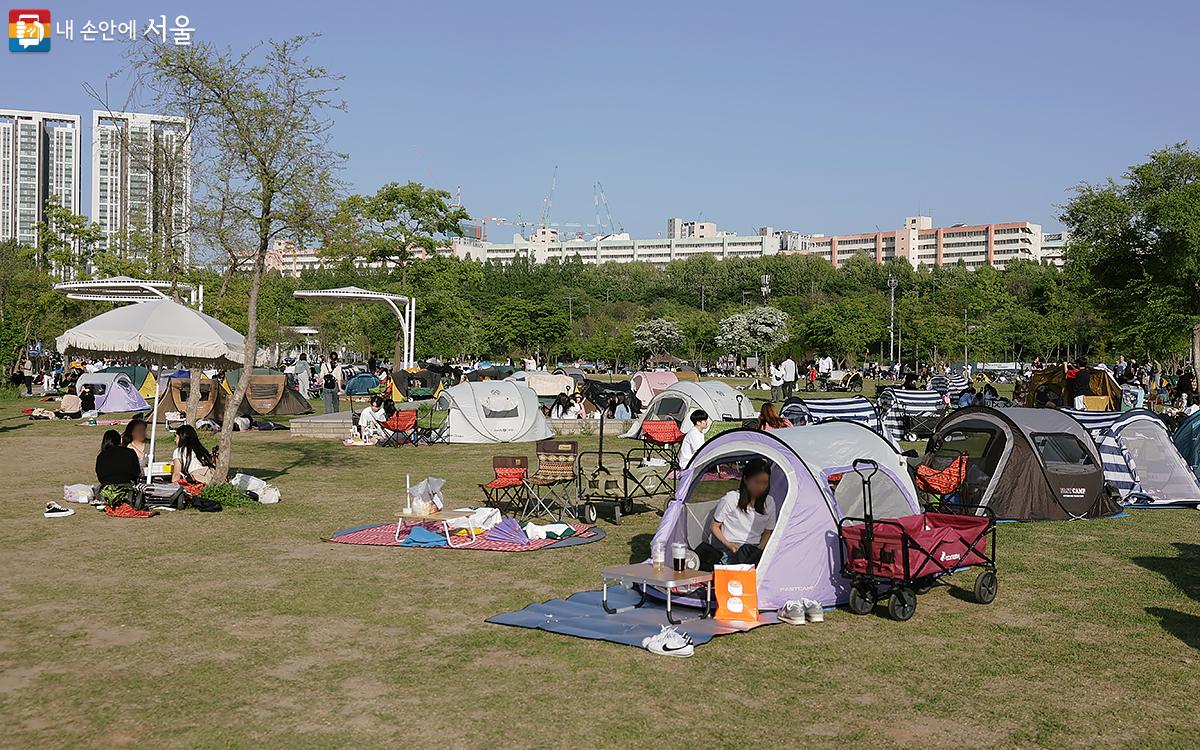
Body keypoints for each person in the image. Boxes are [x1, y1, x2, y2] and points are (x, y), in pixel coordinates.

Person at [708, 458, 776, 565]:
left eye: (765, 483)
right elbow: (714, 526)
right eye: (757, 482)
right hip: (731, 547)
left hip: (755, 548)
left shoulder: (769, 502)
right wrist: (729, 545)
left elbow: (768, 531)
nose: (761, 487)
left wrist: (760, 548)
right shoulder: (731, 499)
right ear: (746, 479)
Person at [172, 424, 215, 496]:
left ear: (182, 438)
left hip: (197, 478)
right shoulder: (201, 449)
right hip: (210, 475)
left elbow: (176, 475)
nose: (175, 440)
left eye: (176, 437)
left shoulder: (179, 451)